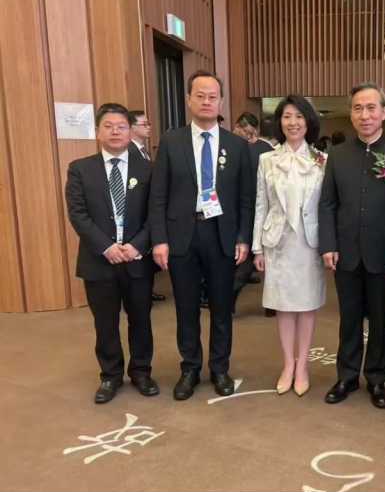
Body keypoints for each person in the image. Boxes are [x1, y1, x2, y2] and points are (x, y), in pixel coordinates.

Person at [150, 70, 255, 401]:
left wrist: (243, 237)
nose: (206, 101)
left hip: (222, 234)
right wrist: (159, 239)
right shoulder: (172, 141)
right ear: (188, 100)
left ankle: (220, 368)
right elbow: (158, 194)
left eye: (212, 96)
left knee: (221, 307)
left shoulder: (237, 146)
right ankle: (190, 368)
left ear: (221, 102)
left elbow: (246, 197)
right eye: (200, 96)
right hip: (182, 234)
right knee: (186, 307)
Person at [320, 82, 385, 409]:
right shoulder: (338, 154)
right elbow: (328, 204)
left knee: (380, 320)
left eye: (371, 108)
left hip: (384, 254)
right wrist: (328, 244)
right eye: (358, 108)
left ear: (384, 112)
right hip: (345, 252)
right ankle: (346, 376)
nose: (365, 115)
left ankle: (376, 377)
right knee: (348, 319)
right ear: (351, 114)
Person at [65, 103, 158, 404]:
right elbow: (78, 214)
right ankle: (110, 376)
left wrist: (138, 244)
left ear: (130, 131)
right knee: (104, 322)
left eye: (121, 126)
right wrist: (106, 246)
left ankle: (141, 372)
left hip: (136, 259)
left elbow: (155, 213)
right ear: (97, 131)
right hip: (98, 260)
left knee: (140, 319)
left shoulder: (148, 169)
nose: (115, 132)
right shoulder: (80, 169)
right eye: (108, 126)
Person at [253, 96, 327, 397]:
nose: (293, 122)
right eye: (286, 116)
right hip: (278, 243)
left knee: (306, 305)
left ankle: (303, 365)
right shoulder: (266, 159)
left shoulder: (322, 160)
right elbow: (261, 204)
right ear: (279, 122)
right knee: (283, 305)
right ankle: (287, 364)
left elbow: (327, 207)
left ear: (308, 122)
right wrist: (257, 248)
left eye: (299, 116)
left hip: (309, 243)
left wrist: (329, 246)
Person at [233, 117, 279, 317]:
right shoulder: (271, 154)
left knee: (244, 261)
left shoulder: (243, 149)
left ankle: (228, 300)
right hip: (268, 214)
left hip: (244, 211)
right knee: (272, 262)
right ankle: (272, 306)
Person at [128, 110, 166, 303]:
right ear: (132, 128)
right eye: (144, 124)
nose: (149, 127)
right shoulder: (129, 151)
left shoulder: (144, 150)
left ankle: (148, 290)